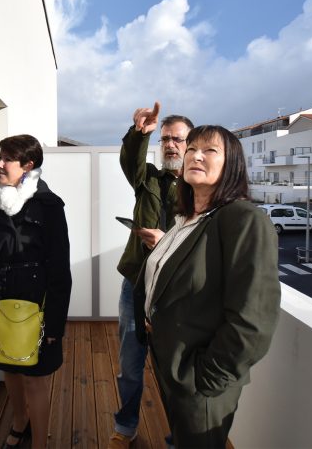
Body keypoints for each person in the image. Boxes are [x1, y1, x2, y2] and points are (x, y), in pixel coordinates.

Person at [133, 126, 281, 448]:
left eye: (210, 151)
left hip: (201, 381)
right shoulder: (186, 219)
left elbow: (253, 321)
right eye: (192, 149)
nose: (195, 155)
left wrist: (205, 381)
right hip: (170, 363)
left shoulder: (244, 218)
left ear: (232, 165)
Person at [0, 134, 72, 449]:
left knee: (34, 376)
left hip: (37, 304)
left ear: (28, 165)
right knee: (8, 367)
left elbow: (60, 268)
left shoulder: (50, 205)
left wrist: (54, 323)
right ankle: (19, 422)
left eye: (7, 159)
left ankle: (39, 442)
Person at [110, 102, 193, 449]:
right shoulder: (148, 179)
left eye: (178, 139)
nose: (171, 145)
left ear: (191, 145)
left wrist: (166, 243)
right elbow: (130, 161)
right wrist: (139, 132)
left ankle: (178, 438)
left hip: (175, 293)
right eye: (165, 139)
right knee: (130, 364)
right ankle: (126, 427)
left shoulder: (199, 190)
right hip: (136, 285)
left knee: (174, 371)